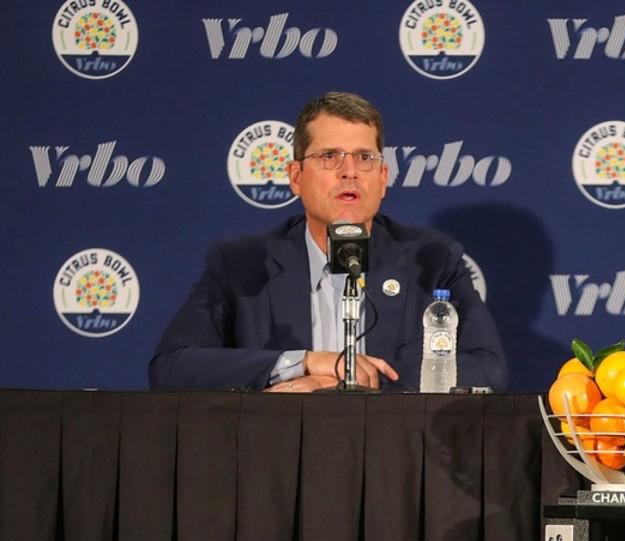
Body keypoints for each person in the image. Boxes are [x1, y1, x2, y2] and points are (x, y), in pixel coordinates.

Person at [149, 91, 507, 392]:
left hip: (396, 458)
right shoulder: (240, 264)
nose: (348, 170)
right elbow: (172, 366)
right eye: (329, 156)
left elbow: (488, 368)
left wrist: (347, 382)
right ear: (295, 176)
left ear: (382, 178)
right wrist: (302, 364)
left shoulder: (433, 261)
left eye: (364, 158)